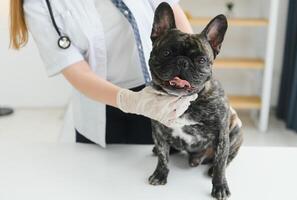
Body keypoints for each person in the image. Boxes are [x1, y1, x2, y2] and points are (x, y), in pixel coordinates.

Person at [9, 0, 196, 147]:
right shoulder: (39, 4)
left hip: (163, 94)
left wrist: (195, 72)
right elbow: (75, 70)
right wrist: (129, 101)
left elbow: (172, 13)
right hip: (102, 104)